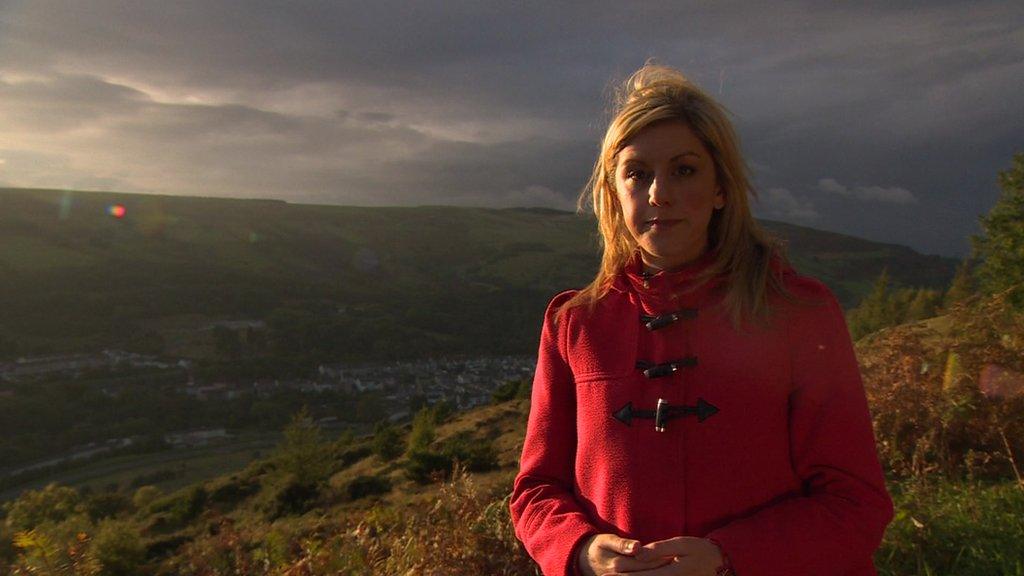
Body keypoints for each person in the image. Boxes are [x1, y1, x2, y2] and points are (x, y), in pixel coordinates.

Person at [509, 63, 894, 576]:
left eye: (683, 170)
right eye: (637, 173)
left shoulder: (797, 312)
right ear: (612, 190)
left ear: (720, 189)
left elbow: (855, 502)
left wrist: (729, 558)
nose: (657, 193)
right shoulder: (574, 324)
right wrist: (580, 550)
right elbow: (535, 493)